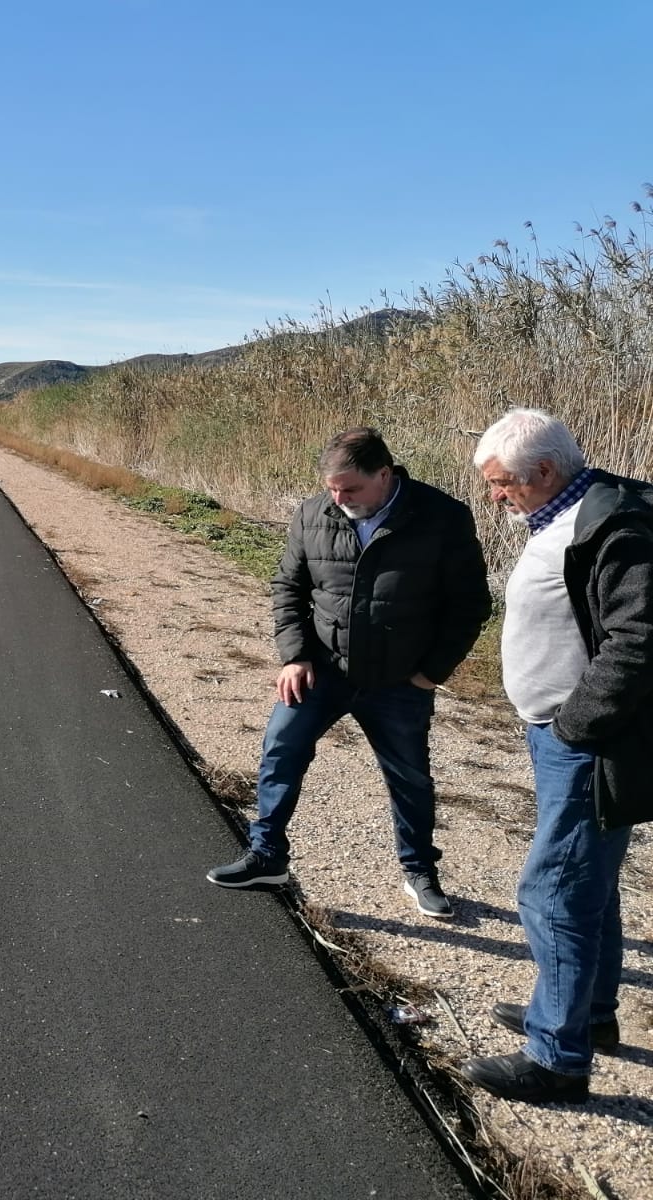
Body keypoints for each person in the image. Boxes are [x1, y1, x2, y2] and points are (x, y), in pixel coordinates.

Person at [207, 428, 491, 918]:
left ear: (384, 474)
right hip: (321, 670)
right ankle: (267, 856)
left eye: (351, 489)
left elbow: (469, 606)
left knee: (410, 779)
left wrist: (431, 672)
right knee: (280, 750)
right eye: (333, 489)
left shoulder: (441, 517)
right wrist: (294, 656)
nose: (339, 499)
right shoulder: (312, 513)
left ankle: (419, 870)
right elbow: (288, 587)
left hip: (401, 681)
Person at [460, 408, 653, 1103]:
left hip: (586, 745)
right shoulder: (564, 514)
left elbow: (639, 643)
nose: (495, 496)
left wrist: (574, 727)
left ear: (543, 472)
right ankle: (587, 1016)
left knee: (554, 891)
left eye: (502, 483)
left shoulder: (614, 526)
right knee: (588, 887)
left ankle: (557, 1059)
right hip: (559, 738)